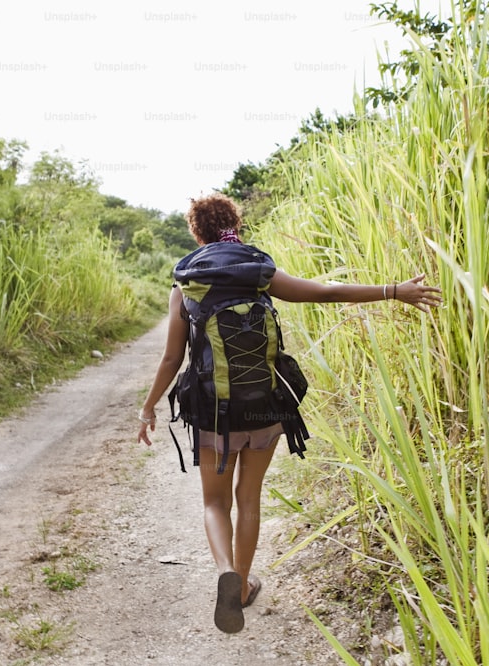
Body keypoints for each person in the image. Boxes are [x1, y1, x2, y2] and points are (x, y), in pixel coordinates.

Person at [137, 192, 442, 634]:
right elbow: (326, 293)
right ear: (234, 227)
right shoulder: (258, 272)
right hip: (264, 407)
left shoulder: (186, 285)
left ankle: (225, 570)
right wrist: (396, 291)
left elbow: (171, 359)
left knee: (215, 502)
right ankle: (241, 585)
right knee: (248, 499)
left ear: (196, 233)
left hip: (212, 412)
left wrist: (148, 409)